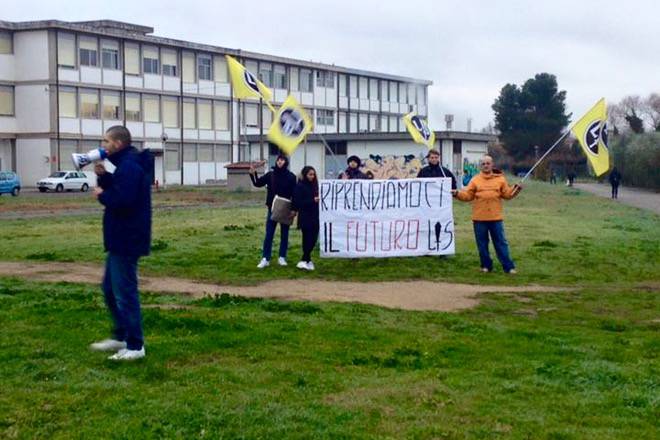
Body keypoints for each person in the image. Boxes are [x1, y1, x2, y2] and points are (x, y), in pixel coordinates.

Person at [89, 126, 152, 361]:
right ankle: (121, 336)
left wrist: (101, 195)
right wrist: (103, 177)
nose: (103, 144)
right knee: (109, 289)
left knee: (125, 292)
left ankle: (135, 346)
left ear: (118, 143)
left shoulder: (130, 166)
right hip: (121, 237)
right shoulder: (126, 165)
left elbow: (124, 200)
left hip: (127, 238)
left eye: (106, 140)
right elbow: (120, 188)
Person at [452, 155, 522, 274]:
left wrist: (516, 189)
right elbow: (468, 196)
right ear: (481, 166)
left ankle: (509, 267)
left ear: (492, 165)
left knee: (500, 243)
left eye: (488, 163)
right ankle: (486, 266)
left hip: (496, 218)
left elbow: (507, 195)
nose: (485, 165)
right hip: (479, 218)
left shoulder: (500, 179)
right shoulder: (475, 180)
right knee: (482, 244)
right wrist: (457, 193)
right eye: (483, 164)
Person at [250, 154, 297, 269]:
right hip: (272, 208)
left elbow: (294, 194)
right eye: (278, 160)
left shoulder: (291, 176)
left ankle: (282, 257)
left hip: (286, 208)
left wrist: (294, 209)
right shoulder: (271, 175)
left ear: (286, 162)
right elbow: (257, 183)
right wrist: (253, 173)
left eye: (282, 160)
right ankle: (265, 258)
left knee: (284, 234)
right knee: (269, 234)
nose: (280, 162)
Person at [292, 166, 320, 271]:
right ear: (305, 175)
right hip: (305, 216)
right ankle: (306, 260)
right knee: (307, 239)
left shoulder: (315, 186)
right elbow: (299, 203)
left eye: (313, 174)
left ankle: (305, 260)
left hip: (315, 216)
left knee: (314, 239)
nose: (312, 177)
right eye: (310, 174)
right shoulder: (300, 186)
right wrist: (313, 200)